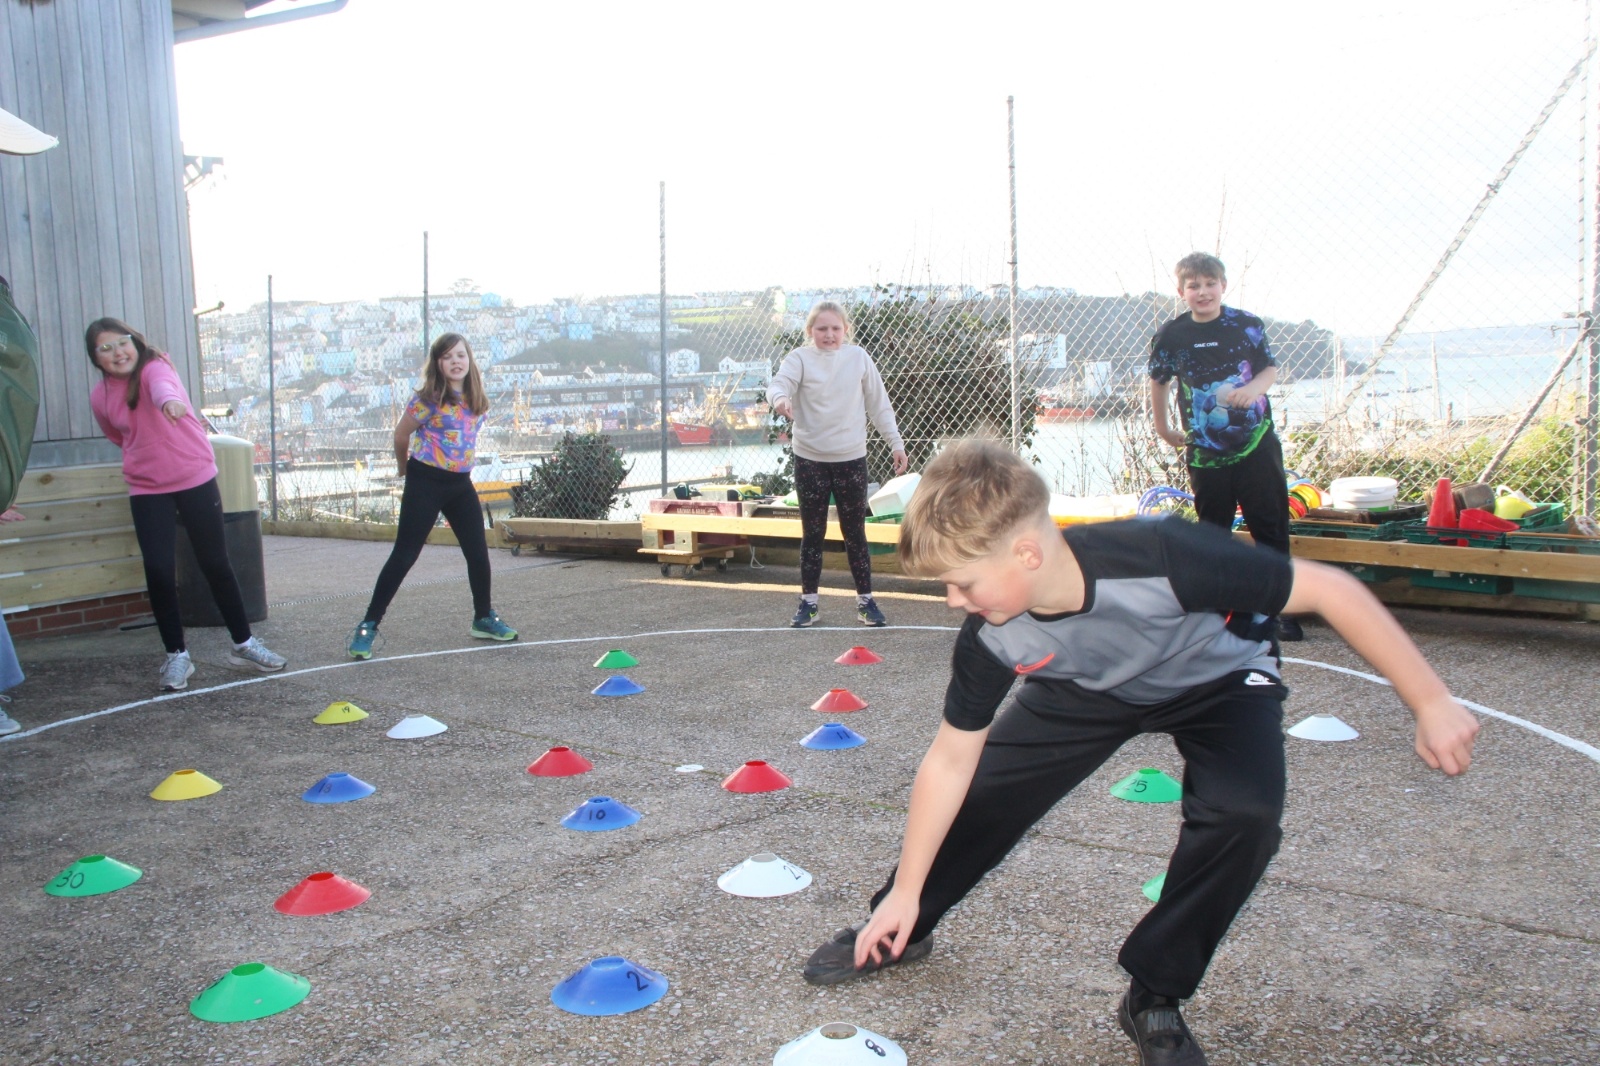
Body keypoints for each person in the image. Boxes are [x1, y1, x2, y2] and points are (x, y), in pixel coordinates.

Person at [800, 439, 1479, 1066]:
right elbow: (950, 761)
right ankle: (900, 925)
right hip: (1084, 689)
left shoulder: (1162, 553)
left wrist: (1430, 701)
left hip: (1217, 678)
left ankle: (1154, 993)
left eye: (963, 584)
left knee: (1243, 814)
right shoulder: (992, 633)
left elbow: (1333, 590)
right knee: (983, 792)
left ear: (1027, 555)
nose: (954, 602)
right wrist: (906, 891)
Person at [87, 319, 287, 691]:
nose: (118, 353)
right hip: (147, 487)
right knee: (159, 570)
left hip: (194, 476)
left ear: (135, 342)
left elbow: (163, 389)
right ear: (96, 358)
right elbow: (116, 434)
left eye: (122, 342)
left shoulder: (155, 366)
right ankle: (177, 655)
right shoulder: (101, 396)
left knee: (215, 562)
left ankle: (243, 644)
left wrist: (172, 403)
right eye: (106, 348)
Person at [1150, 252, 1303, 641]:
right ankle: (1220, 613)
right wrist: (1163, 428)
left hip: (1256, 446)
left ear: (1223, 285)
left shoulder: (1246, 325)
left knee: (1269, 526)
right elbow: (1159, 381)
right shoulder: (1171, 335)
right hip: (1206, 453)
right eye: (1194, 286)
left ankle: (1279, 609)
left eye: (1209, 284)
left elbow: (1269, 368)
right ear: (1181, 291)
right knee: (1212, 533)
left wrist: (1254, 390)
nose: (1203, 292)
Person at [347, 333, 515, 659]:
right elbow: (401, 434)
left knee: (478, 553)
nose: (455, 362)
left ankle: (483, 617)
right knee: (405, 555)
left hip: (460, 485)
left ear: (470, 360)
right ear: (438, 363)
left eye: (461, 355)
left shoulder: (477, 399)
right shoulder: (428, 399)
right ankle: (368, 625)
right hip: (425, 481)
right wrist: (402, 468)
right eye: (447, 357)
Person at [768, 301, 907, 628]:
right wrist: (780, 399)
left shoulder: (858, 358)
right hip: (810, 459)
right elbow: (779, 384)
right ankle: (809, 603)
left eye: (835, 328)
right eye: (822, 329)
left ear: (845, 329)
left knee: (854, 531)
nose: (829, 334)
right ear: (810, 331)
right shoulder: (799, 358)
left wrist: (896, 443)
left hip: (851, 458)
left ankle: (866, 602)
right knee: (812, 533)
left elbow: (879, 405)